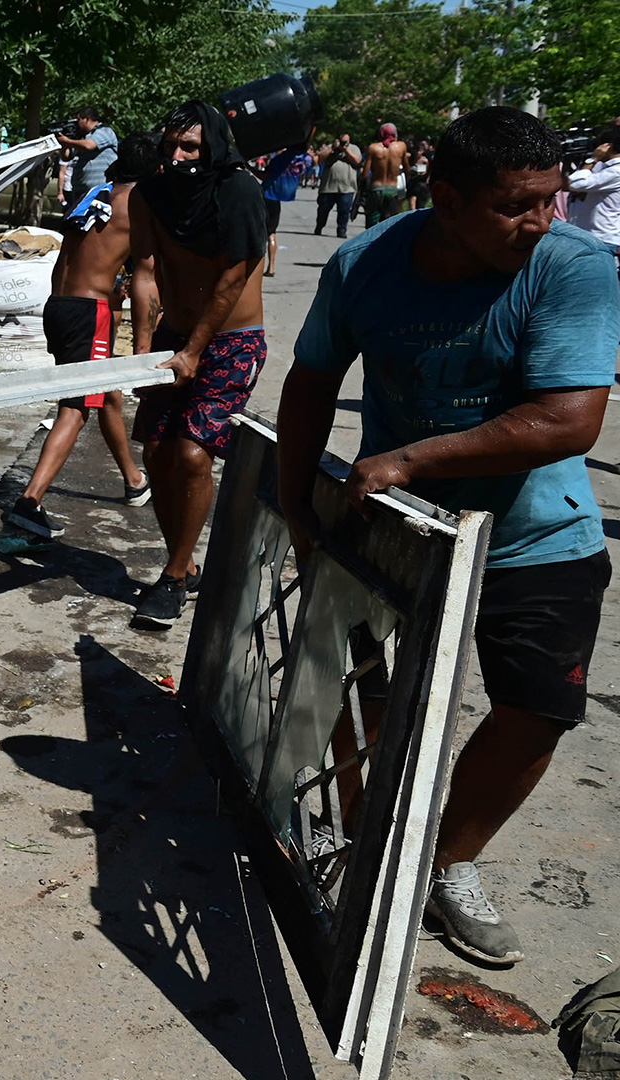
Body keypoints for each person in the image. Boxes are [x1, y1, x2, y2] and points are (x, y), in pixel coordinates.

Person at [279, 106, 617, 967]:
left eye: (551, 199)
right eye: (515, 206)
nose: (539, 222)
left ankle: (444, 862)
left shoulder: (572, 267)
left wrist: (410, 457)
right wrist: (295, 505)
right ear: (447, 197)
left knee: (538, 711)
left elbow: (569, 420)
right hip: (396, 527)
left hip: (536, 533)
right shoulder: (365, 263)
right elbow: (311, 379)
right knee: (360, 684)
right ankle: (360, 833)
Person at [127, 100, 269, 628]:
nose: (177, 156)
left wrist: (194, 351)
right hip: (172, 336)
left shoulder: (239, 191)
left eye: (190, 146)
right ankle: (184, 564)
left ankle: (171, 577)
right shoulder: (149, 195)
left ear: (212, 146)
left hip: (232, 342)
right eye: (170, 146)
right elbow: (144, 274)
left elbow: (233, 279)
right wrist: (144, 353)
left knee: (191, 454)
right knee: (157, 451)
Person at [3, 133, 162, 539]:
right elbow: (145, 279)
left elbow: (75, 257)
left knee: (104, 393)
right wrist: (143, 351)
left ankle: (134, 481)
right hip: (89, 313)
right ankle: (29, 503)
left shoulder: (97, 193)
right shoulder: (140, 204)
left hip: (59, 306)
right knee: (75, 408)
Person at [566, 125, 620, 256]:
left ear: (607, 146)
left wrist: (593, 159)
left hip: (601, 237)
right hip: (588, 234)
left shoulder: (616, 171)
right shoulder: (605, 168)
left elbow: (575, 183)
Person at [260, 144, 312, 276]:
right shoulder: (298, 158)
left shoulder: (279, 159)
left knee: (262, 233)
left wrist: (249, 168)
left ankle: (258, 267)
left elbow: (264, 175)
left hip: (267, 195)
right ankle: (271, 267)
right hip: (276, 198)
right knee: (272, 233)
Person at [56, 105, 119, 205]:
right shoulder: (81, 138)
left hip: (99, 190)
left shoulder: (104, 131)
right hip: (80, 190)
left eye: (78, 120)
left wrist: (67, 141)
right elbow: (66, 157)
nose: (77, 124)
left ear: (87, 119)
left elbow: (89, 146)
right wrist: (64, 143)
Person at [364, 122, 409, 227]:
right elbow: (407, 168)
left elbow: (365, 174)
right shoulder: (401, 147)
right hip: (392, 189)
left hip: (376, 188)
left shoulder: (373, 148)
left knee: (372, 221)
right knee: (390, 223)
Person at [316, 134, 362, 237]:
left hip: (347, 187)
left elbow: (357, 161)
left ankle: (342, 230)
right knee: (323, 209)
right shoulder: (331, 147)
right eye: (342, 141)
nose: (343, 143)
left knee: (344, 211)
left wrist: (346, 150)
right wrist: (332, 148)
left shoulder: (354, 148)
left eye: (345, 142)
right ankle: (319, 226)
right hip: (328, 187)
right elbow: (320, 159)